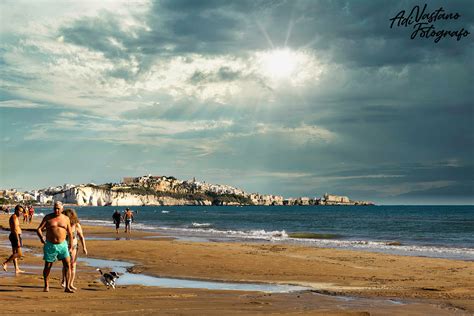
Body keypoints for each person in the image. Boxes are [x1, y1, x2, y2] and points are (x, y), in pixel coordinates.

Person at [36, 201, 74, 293]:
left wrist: (71, 246)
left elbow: (70, 233)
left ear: (62, 209)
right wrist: (41, 237)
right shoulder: (48, 217)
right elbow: (39, 229)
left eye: (58, 208)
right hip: (50, 245)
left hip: (63, 245)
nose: (56, 210)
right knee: (48, 266)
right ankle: (46, 285)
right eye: (55, 208)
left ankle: (67, 287)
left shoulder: (66, 218)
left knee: (67, 265)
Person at [61, 209, 87, 290]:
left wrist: (84, 247)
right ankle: (64, 280)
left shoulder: (76, 226)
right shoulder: (63, 225)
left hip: (74, 247)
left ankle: (71, 283)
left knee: (73, 265)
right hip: (64, 247)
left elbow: (81, 237)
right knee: (65, 265)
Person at [2, 205, 25, 273]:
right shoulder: (14, 217)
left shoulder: (15, 217)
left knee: (14, 253)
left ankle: (17, 269)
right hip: (15, 236)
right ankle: (5, 262)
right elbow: (15, 230)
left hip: (15, 236)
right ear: (16, 210)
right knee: (19, 254)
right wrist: (18, 240)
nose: (21, 213)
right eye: (19, 211)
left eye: (21, 211)